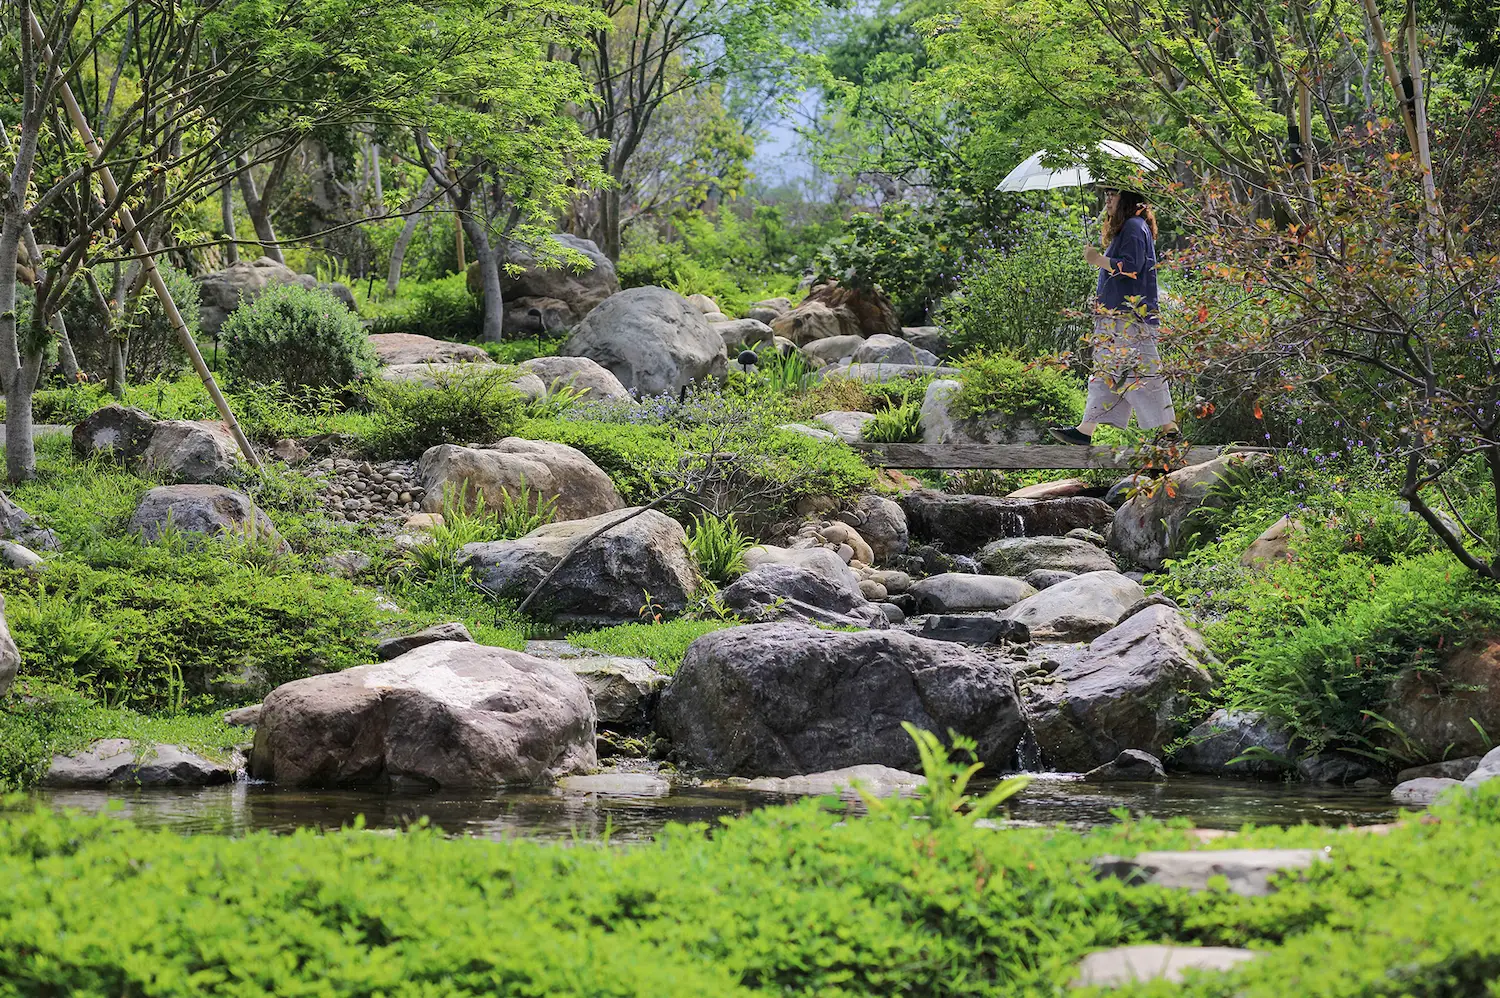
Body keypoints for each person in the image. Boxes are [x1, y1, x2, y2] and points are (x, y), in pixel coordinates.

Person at [1048, 185, 1179, 445]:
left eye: (1113, 194)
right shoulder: (1130, 226)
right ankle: (1086, 429)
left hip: (1128, 317)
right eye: (1106, 194)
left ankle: (1170, 430)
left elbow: (1131, 267)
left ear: (1127, 198)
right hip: (1117, 316)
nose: (1107, 199)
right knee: (1108, 371)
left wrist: (1097, 259)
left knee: (1143, 373)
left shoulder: (1133, 226)